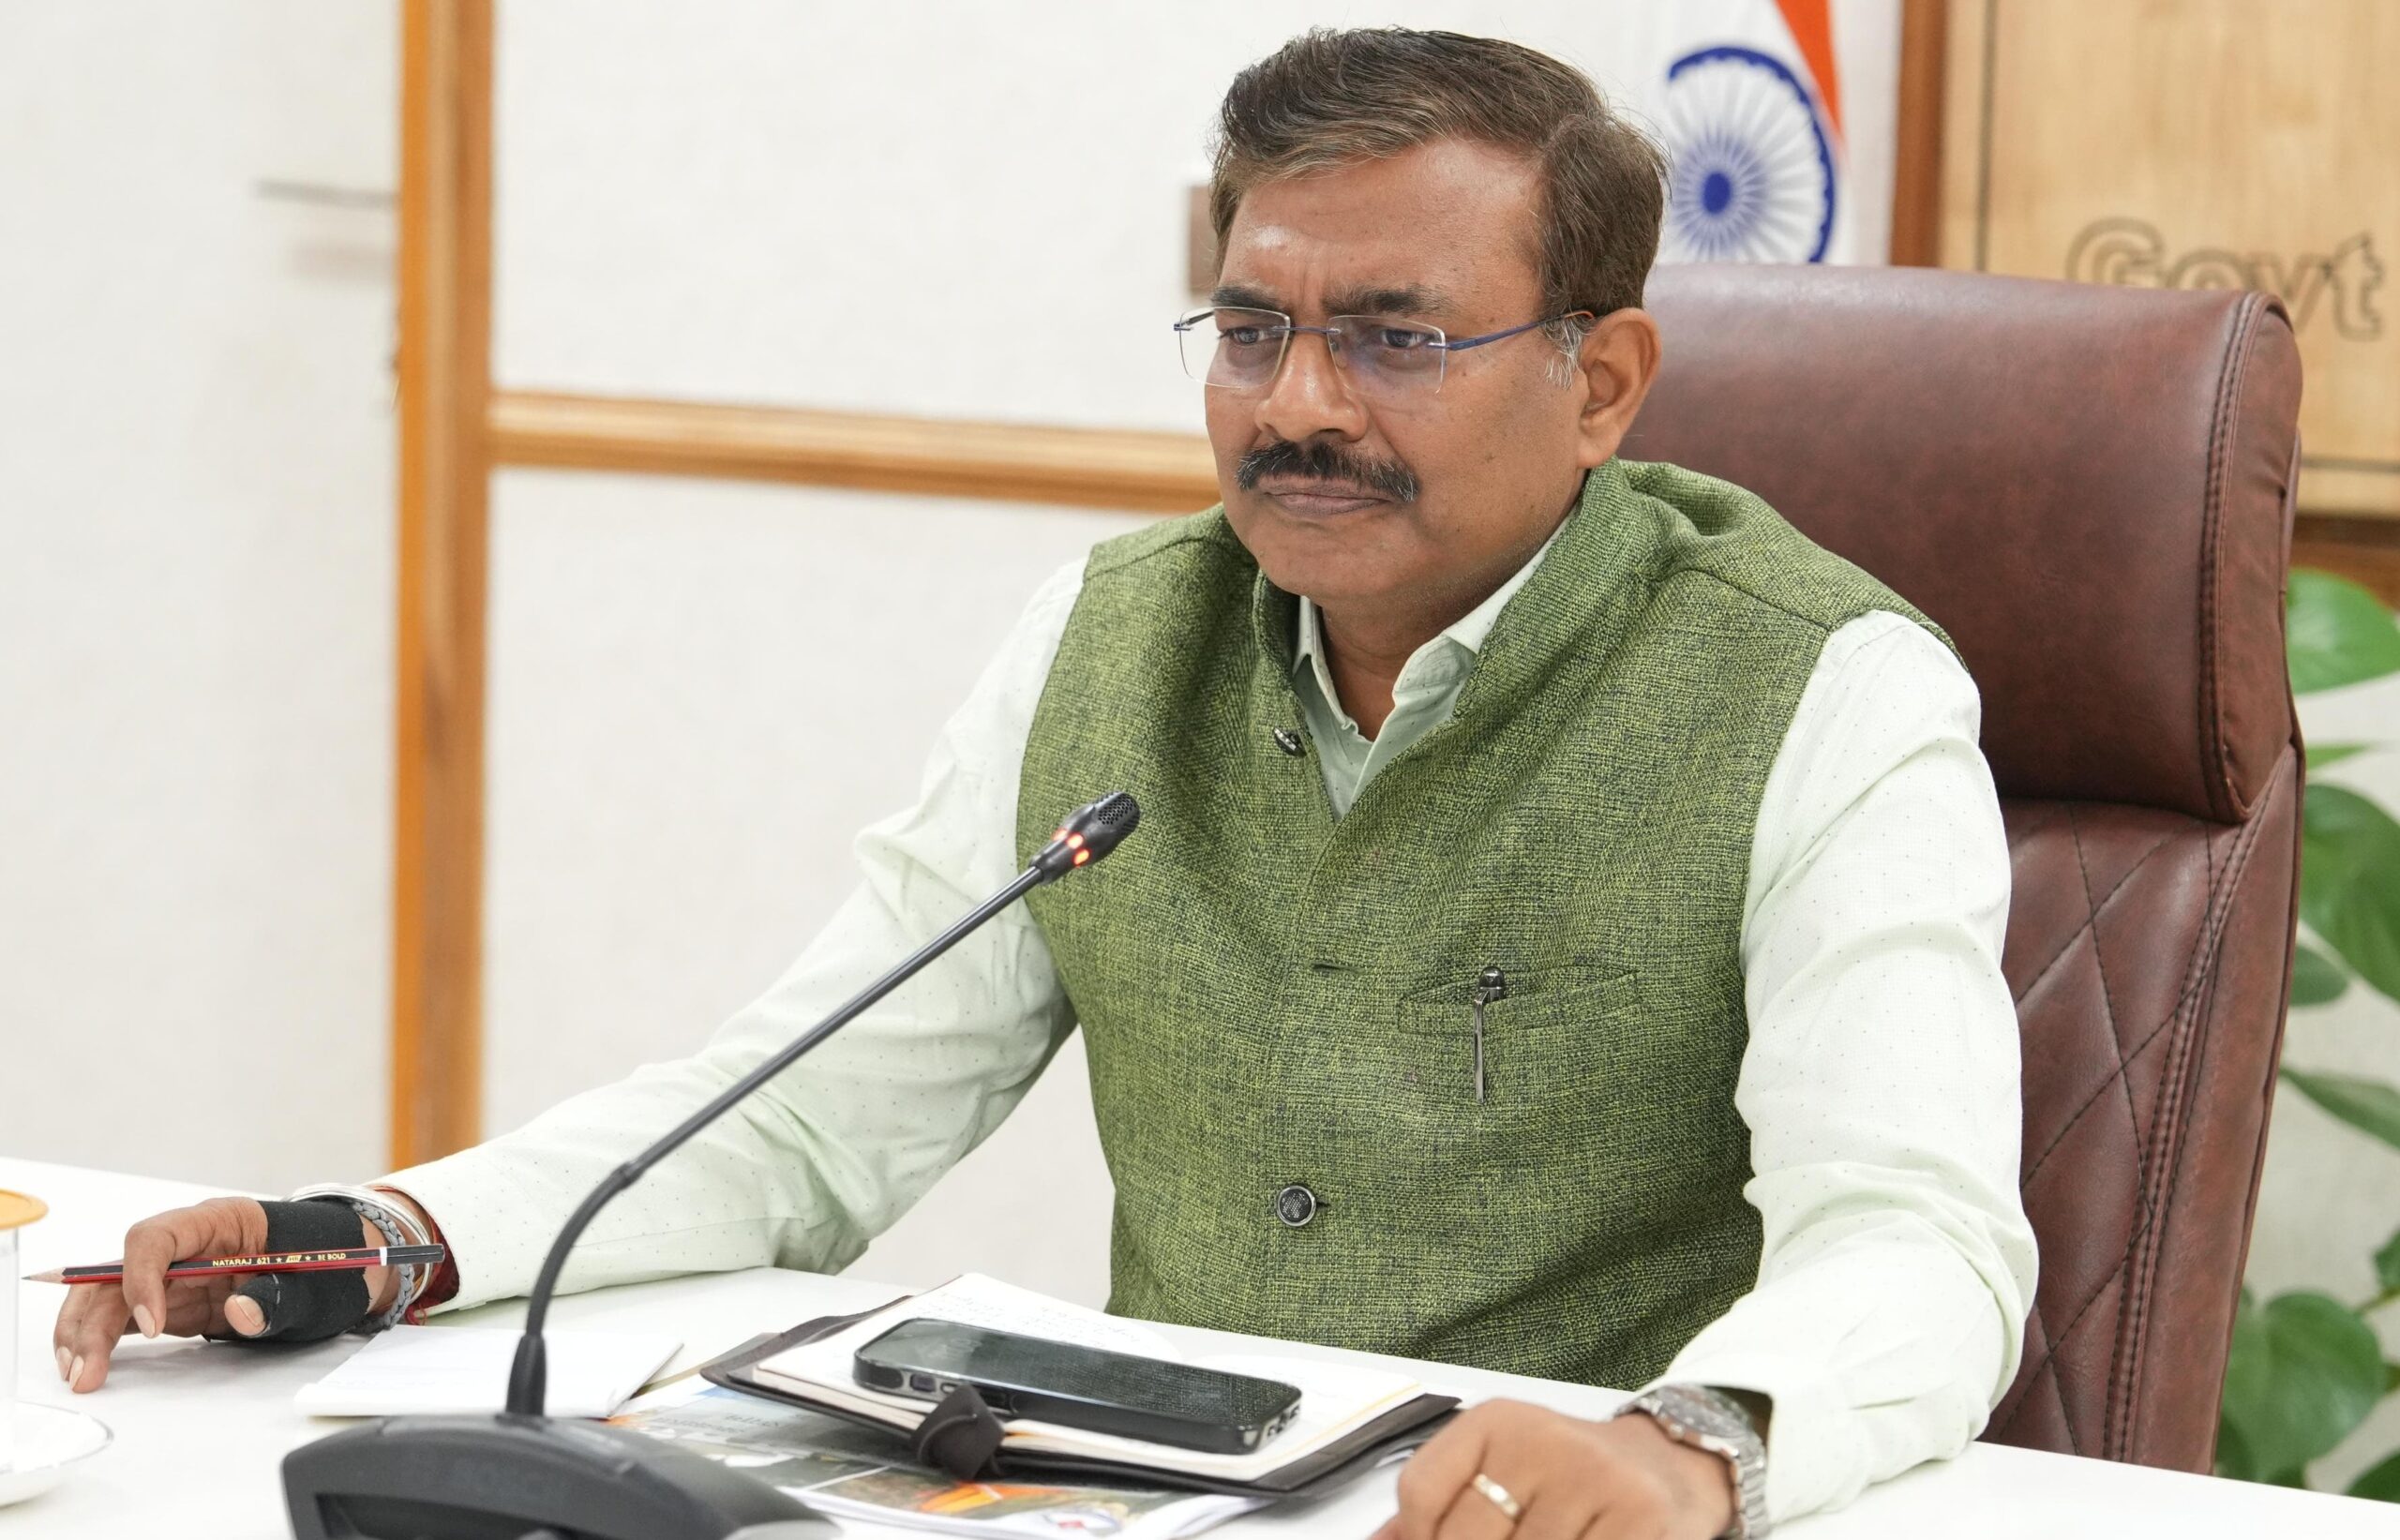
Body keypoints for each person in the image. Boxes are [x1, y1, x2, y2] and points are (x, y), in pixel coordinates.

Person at [55, 28, 2035, 1540]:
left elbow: (1918, 1238)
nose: (1297, 406)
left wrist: (1690, 1446)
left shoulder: (1825, 690)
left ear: (1599, 383)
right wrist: (380, 1236)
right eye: (1250, 330)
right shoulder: (1113, 636)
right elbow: (800, 1118)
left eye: (1393, 341)